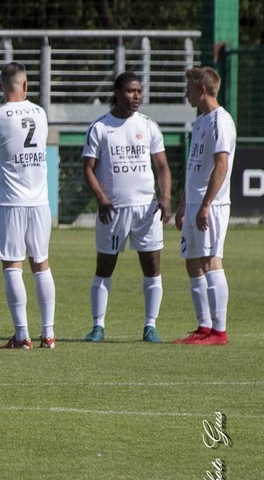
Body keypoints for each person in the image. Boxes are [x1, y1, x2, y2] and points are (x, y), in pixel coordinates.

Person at [81, 72, 172, 343]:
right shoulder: (100, 128)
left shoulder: (148, 125)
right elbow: (88, 169)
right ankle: (98, 326)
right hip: (114, 209)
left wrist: (166, 196)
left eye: (139, 91)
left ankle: (150, 325)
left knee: (152, 265)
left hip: (146, 209)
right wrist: (102, 198)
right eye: (131, 91)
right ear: (117, 93)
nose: (137, 96)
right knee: (105, 266)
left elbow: (162, 166)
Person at [0, 62, 57, 349]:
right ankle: (48, 334)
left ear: (0, 87)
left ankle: (22, 335)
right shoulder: (40, 112)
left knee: (13, 266)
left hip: (9, 201)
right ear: (25, 85)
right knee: (41, 264)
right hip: (39, 201)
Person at [173, 66, 237, 345]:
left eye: (189, 88)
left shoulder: (221, 121)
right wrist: (183, 204)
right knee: (192, 261)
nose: (186, 93)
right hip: (194, 204)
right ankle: (204, 326)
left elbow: (221, 166)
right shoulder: (200, 121)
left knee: (211, 261)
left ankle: (219, 332)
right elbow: (194, 168)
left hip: (211, 206)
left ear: (202, 90)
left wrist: (206, 204)